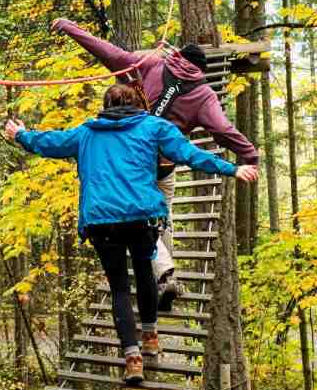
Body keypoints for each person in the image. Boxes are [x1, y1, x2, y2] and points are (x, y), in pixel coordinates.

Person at [4, 83, 258, 385]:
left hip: (102, 221)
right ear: (137, 103)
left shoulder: (87, 132)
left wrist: (21, 135)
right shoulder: (154, 126)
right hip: (142, 217)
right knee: (144, 274)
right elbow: (189, 153)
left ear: (105, 106)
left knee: (120, 288)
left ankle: (132, 358)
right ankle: (150, 335)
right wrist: (231, 168)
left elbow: (50, 142)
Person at [51, 18, 260, 312]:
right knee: (161, 219)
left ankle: (164, 276)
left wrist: (71, 28)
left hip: (130, 162)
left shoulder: (150, 65)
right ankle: (164, 277)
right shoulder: (203, 95)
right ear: (201, 71)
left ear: (177, 57)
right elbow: (223, 130)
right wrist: (249, 156)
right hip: (162, 164)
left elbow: (109, 53)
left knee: (152, 220)